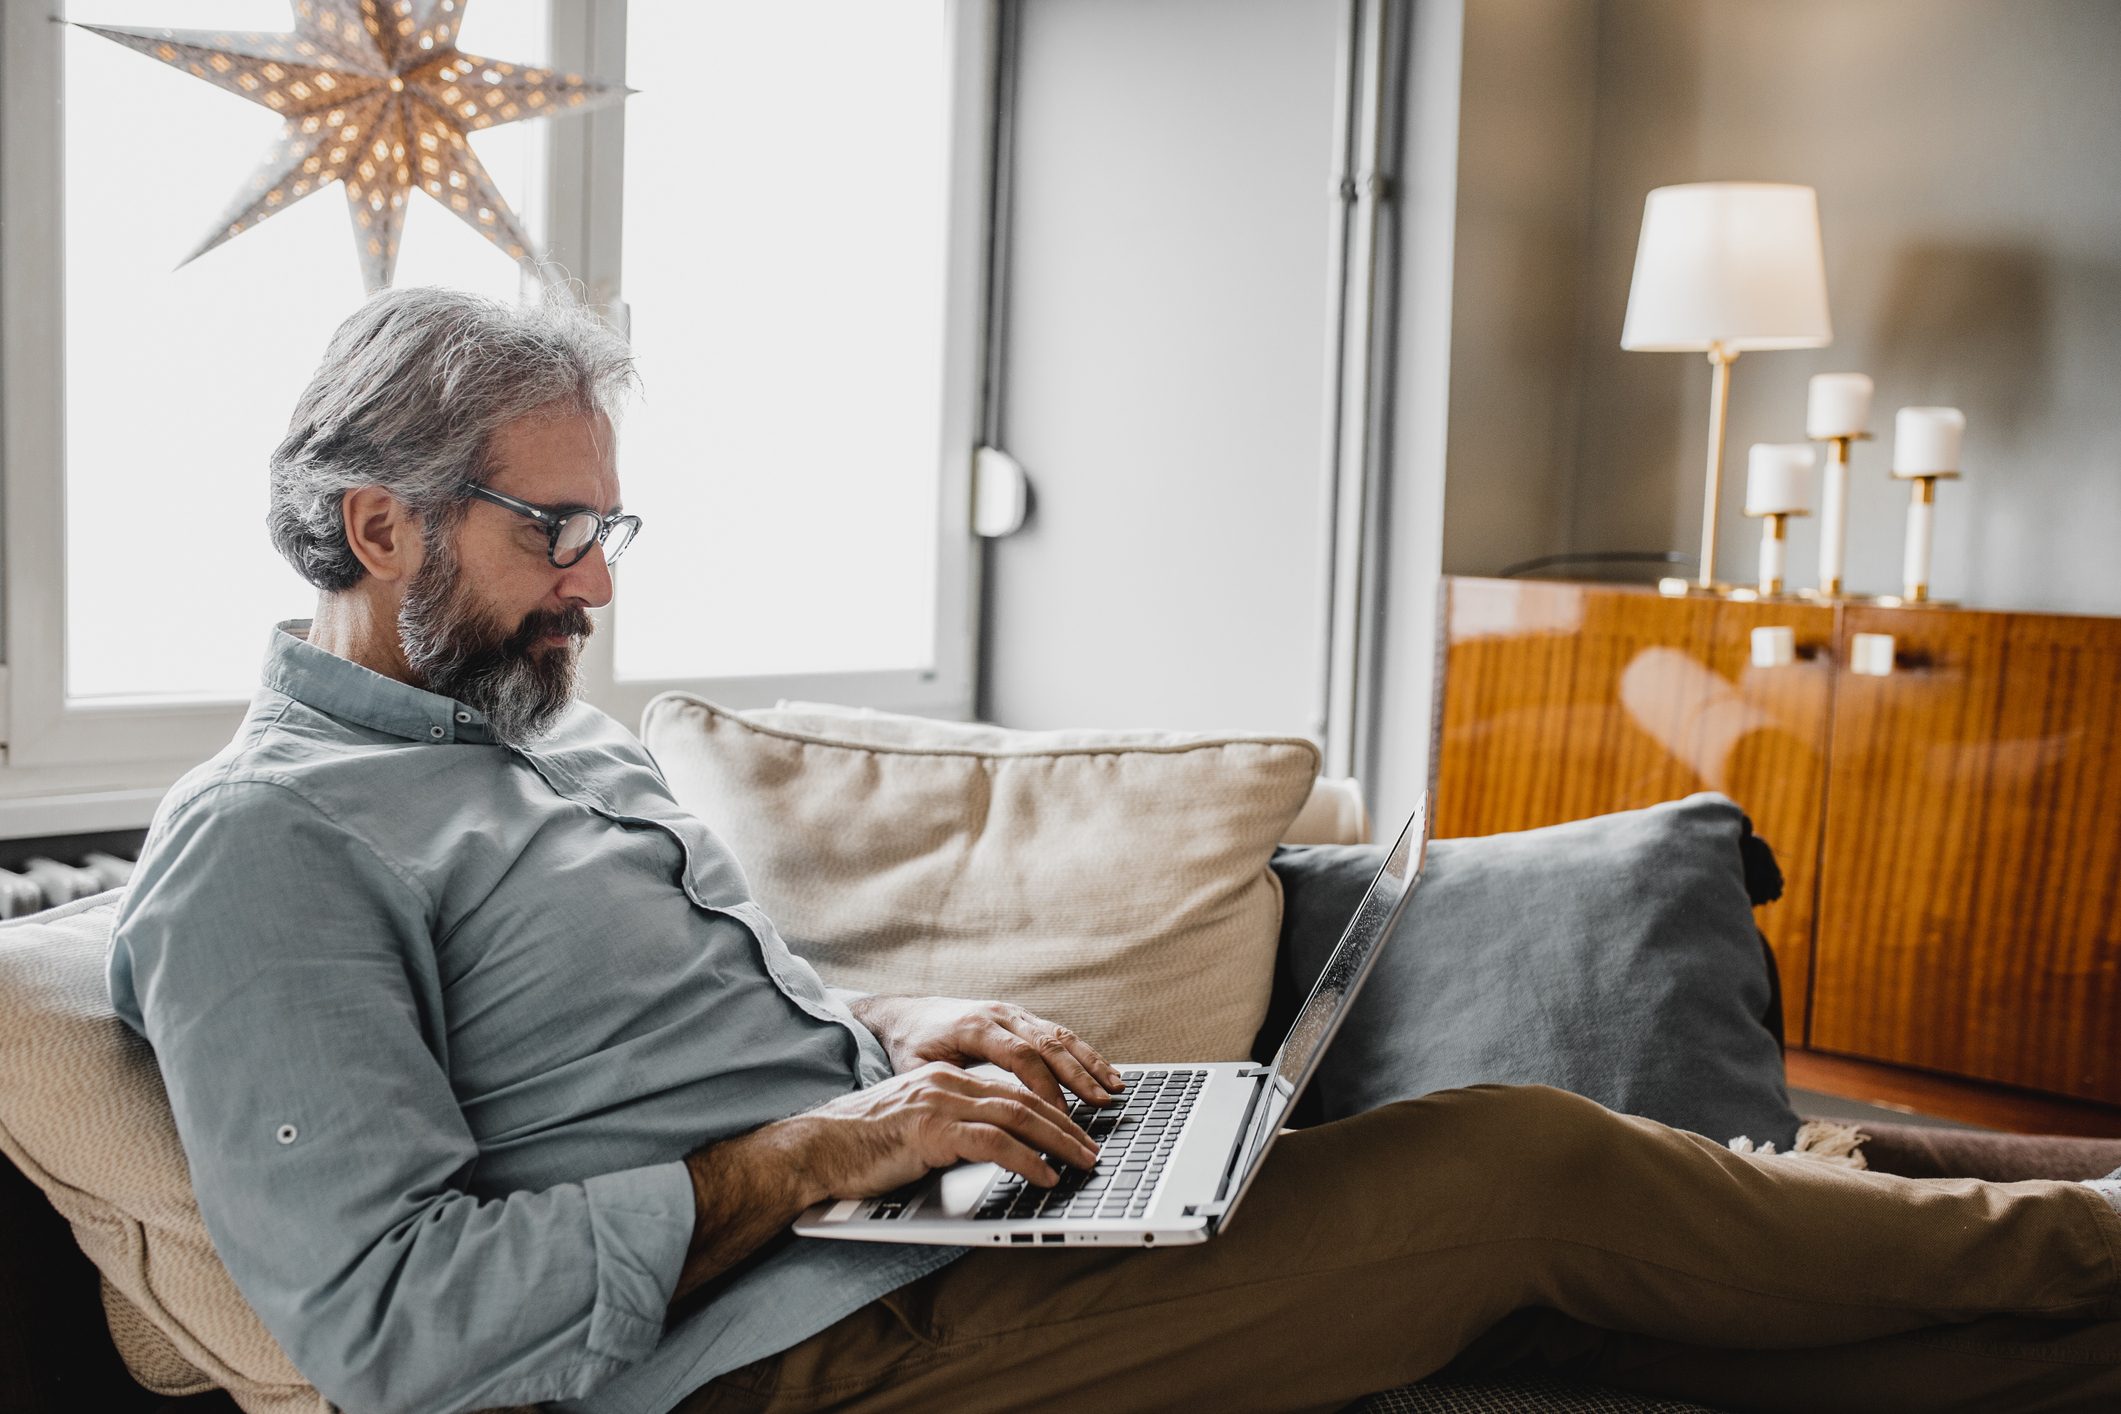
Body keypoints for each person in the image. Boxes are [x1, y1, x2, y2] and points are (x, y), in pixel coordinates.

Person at [112, 288, 2121, 1414]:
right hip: (780, 1358)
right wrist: (824, 1148)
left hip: (898, 1248)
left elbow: (676, 1038)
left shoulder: (552, 751)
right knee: (1515, 1161)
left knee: (1562, 1282)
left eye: (604, 530)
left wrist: (905, 1033)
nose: (593, 585)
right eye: (551, 532)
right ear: (376, 525)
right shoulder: (268, 851)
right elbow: (388, 1323)